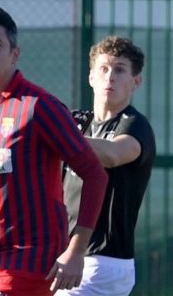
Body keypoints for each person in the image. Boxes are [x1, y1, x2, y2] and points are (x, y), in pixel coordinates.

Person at [0, 7, 109, 296]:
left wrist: (76, 251)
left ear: (15, 54)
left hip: (32, 262)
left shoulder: (39, 106)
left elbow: (95, 174)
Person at [58, 36, 156, 296]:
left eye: (120, 70)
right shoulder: (80, 124)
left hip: (104, 262)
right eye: (103, 68)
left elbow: (113, 154)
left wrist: (59, 134)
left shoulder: (135, 125)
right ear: (91, 77)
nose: (110, 76)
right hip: (65, 254)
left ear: (136, 81)